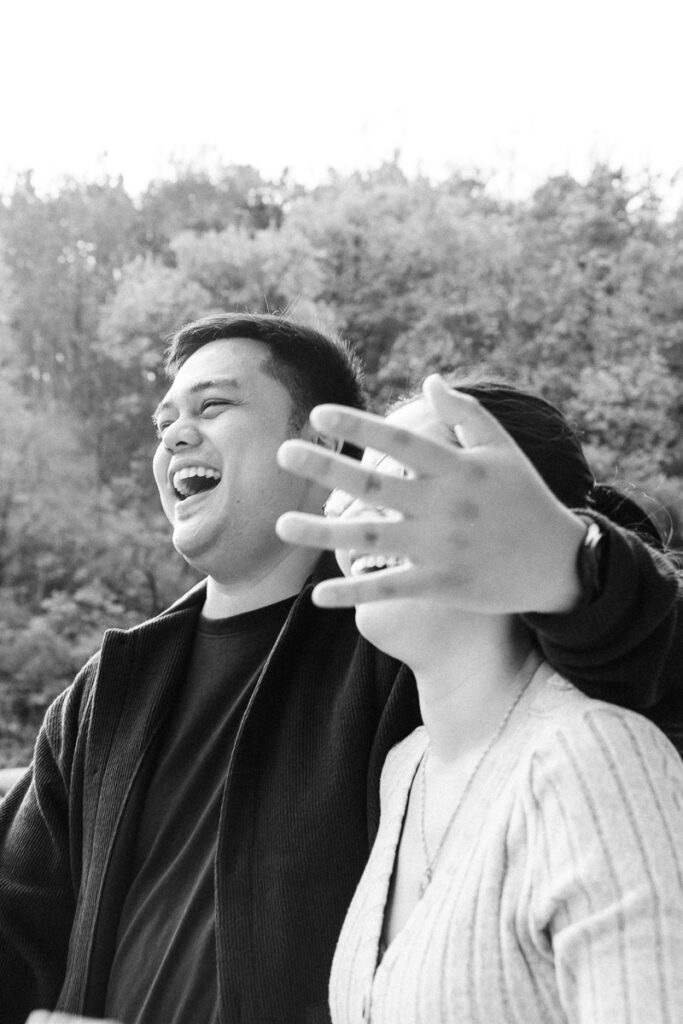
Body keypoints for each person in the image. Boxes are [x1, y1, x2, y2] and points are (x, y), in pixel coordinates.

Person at [1, 314, 681, 1024]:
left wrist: (569, 565)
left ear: (322, 447)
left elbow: (645, 704)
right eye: (165, 421)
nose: (174, 434)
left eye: (214, 405)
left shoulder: (411, 630)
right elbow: (17, 929)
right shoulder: (107, 692)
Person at [284, 378, 683, 1024]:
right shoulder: (403, 770)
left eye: (405, 483)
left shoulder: (596, 758)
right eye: (352, 496)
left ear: (523, 517)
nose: (360, 518)